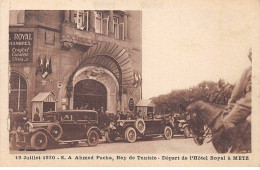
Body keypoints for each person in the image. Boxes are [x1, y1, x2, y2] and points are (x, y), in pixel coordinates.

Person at [222, 49, 252, 151]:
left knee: (227, 121)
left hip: (250, 102)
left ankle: (240, 147)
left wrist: (230, 104)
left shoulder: (249, 70)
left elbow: (238, 90)